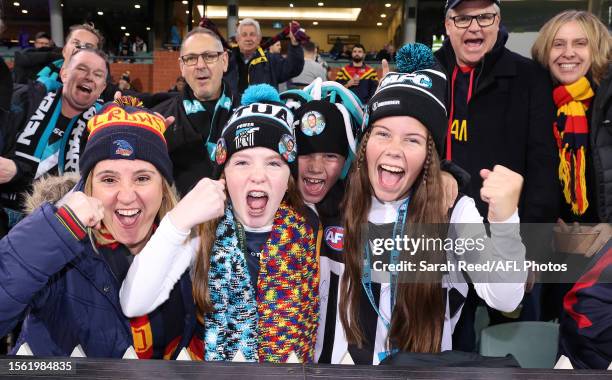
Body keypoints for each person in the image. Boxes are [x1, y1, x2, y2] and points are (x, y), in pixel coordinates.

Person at [317, 46, 527, 365]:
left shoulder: (453, 210)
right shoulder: (335, 200)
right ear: (365, 143)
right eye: (383, 134)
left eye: (412, 139)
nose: (394, 150)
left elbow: (506, 296)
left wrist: (506, 221)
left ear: (430, 155)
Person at [120, 84, 318, 363]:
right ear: (223, 174)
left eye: (273, 163)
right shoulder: (202, 232)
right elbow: (133, 302)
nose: (258, 176)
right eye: (242, 163)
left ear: (288, 178)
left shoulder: (307, 233)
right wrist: (177, 223)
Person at [0, 102, 200, 358]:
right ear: (88, 186)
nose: (127, 196)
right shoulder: (59, 251)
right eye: (109, 179)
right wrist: (56, 231)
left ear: (163, 187)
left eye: (142, 178)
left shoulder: (187, 248)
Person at [435, 0, 559, 348]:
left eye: (484, 17)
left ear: (498, 21)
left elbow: (543, 167)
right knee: (446, 349)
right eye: (462, 18)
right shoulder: (428, 75)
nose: (474, 27)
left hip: (509, 241)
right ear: (447, 25)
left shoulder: (530, 77)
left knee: (514, 351)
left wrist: (532, 249)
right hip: (439, 240)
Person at [530, 10, 612, 369]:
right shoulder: (536, 101)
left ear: (597, 50)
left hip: (605, 255)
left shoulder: (606, 101)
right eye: (558, 44)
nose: (568, 52)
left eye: (580, 43)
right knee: (560, 353)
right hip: (555, 252)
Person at [0, 48, 107, 230]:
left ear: (102, 88)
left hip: (59, 225)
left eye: (98, 74)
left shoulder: (103, 126)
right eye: (82, 68)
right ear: (64, 73)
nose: (89, 77)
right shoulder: (24, 100)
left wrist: (19, 171)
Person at [153, 27, 238, 196]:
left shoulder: (249, 112)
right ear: (182, 66)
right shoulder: (159, 119)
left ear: (224, 61)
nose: (200, 65)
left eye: (209, 56)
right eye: (191, 58)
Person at [225, 18, 304, 95]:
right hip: (231, 107)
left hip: (263, 107)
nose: (248, 39)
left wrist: (295, 45)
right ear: (237, 39)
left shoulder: (271, 60)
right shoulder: (226, 61)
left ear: (259, 38)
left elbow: (293, 68)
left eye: (252, 34)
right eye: (244, 35)